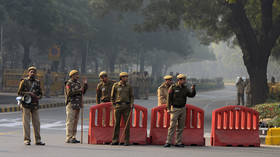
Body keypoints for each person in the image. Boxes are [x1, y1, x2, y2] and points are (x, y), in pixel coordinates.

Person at [164, 74, 196, 148]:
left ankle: (178, 142)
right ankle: (168, 141)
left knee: (181, 126)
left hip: (183, 109)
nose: (185, 81)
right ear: (180, 80)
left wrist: (193, 89)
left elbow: (191, 95)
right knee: (172, 126)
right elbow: (169, 99)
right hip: (175, 109)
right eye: (184, 80)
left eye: (185, 79)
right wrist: (168, 108)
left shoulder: (185, 88)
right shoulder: (173, 87)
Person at [17, 66, 45, 146]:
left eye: (34, 72)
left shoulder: (37, 82)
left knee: (37, 123)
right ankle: (27, 140)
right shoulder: (24, 81)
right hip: (26, 104)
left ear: (36, 74)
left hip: (35, 105)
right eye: (31, 72)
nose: (32, 73)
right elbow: (19, 93)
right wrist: (28, 94)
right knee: (26, 123)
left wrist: (37, 97)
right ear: (28, 73)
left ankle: (38, 140)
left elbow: (40, 94)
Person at [111, 72, 134, 146]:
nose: (126, 78)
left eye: (127, 77)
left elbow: (131, 96)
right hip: (118, 106)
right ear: (121, 78)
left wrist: (131, 104)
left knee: (127, 124)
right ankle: (115, 140)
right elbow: (112, 96)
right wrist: (114, 105)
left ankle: (126, 140)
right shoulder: (116, 85)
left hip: (126, 107)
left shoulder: (129, 86)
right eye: (125, 77)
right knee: (116, 124)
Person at [64, 70, 88, 143]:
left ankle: (73, 136)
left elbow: (82, 92)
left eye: (77, 74)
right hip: (71, 104)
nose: (77, 76)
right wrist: (79, 90)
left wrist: (85, 85)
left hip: (77, 104)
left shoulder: (78, 83)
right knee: (70, 121)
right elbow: (69, 93)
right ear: (71, 75)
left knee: (75, 122)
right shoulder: (69, 83)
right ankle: (69, 137)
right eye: (75, 75)